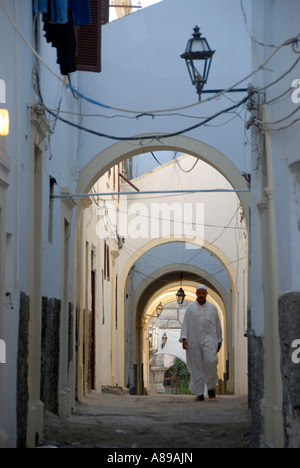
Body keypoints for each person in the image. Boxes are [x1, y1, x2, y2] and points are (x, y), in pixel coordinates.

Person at [180, 285, 223, 401]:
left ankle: (211, 387)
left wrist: (219, 340)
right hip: (194, 340)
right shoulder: (190, 309)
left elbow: (217, 325)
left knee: (210, 361)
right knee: (197, 367)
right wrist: (184, 338)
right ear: (196, 294)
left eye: (203, 293)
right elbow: (186, 324)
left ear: (206, 294)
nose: (201, 295)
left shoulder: (213, 308)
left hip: (210, 339)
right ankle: (199, 393)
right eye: (199, 293)